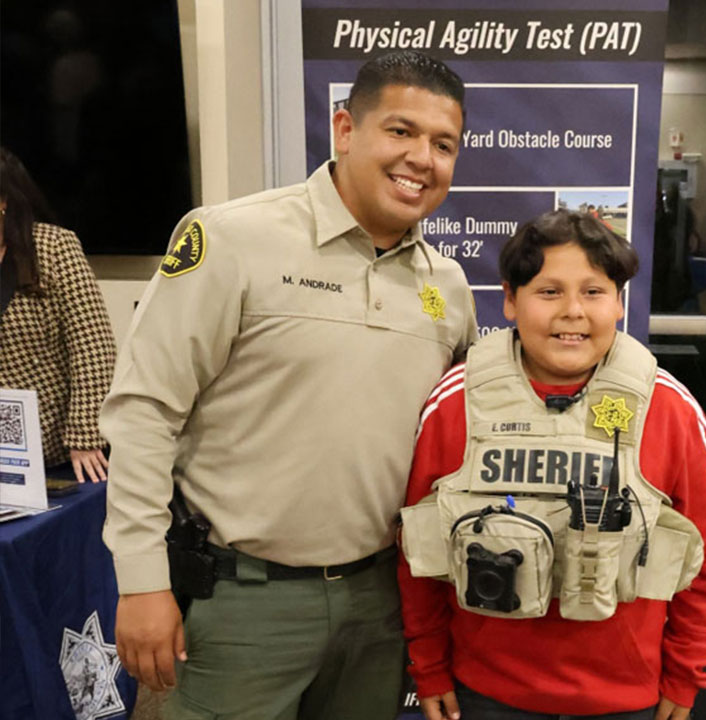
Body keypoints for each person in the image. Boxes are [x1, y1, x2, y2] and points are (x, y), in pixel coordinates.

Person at [101, 51, 477, 720]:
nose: (422, 157)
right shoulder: (231, 238)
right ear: (344, 129)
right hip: (237, 604)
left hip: (377, 607)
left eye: (442, 144)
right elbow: (144, 412)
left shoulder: (446, 288)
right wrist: (141, 583)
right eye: (400, 131)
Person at [398, 210, 706, 720]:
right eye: (549, 292)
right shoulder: (457, 404)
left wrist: (686, 675)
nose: (572, 312)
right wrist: (429, 664)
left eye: (594, 292)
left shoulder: (668, 409)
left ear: (620, 302)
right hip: (487, 694)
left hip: (628, 697)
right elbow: (417, 552)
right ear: (510, 299)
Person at [0, 147, 115, 483]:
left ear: (5, 200)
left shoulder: (53, 247)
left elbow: (93, 346)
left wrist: (84, 434)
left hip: (61, 451)